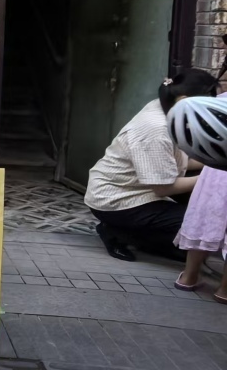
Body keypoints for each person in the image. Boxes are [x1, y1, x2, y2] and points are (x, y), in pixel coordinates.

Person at [84, 68, 217, 262]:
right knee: (199, 224)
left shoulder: (166, 106)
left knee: (202, 221)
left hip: (142, 186)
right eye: (207, 103)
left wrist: (216, 164)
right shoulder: (157, 129)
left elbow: (180, 161)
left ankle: (146, 235)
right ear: (184, 100)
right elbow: (163, 188)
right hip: (116, 199)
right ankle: (117, 231)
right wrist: (210, 177)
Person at [168, 94, 227, 302]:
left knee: (205, 219)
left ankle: (189, 277)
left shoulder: (220, 100)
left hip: (217, 169)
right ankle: (225, 290)